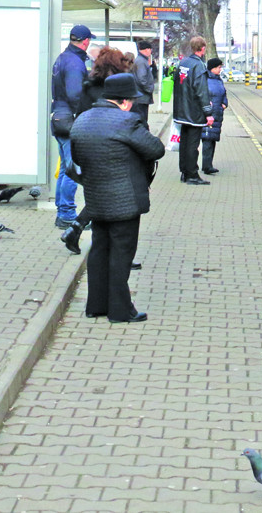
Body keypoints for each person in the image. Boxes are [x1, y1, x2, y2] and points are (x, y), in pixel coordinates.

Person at [70, 73, 165, 323]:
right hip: (124, 200)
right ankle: (121, 311)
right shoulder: (127, 121)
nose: (132, 105)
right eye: (131, 100)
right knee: (122, 253)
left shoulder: (82, 119)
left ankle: (96, 305)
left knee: (99, 249)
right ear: (124, 101)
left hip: (96, 197)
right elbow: (156, 149)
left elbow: (77, 157)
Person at [59, 48, 130, 255]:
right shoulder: (117, 89)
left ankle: (75, 229)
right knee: (116, 199)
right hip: (111, 148)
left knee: (100, 195)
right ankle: (118, 251)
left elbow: (80, 117)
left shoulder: (88, 87)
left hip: (89, 148)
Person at [50, 25, 92, 228]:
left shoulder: (62, 58)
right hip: (69, 118)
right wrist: (84, 117)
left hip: (58, 116)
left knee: (65, 169)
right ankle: (67, 213)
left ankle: (62, 211)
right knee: (73, 169)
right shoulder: (75, 62)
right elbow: (75, 94)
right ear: (86, 41)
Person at [173, 36, 215, 184]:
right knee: (193, 144)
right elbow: (201, 91)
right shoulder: (199, 66)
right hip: (194, 112)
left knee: (184, 142)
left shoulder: (182, 63)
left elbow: (176, 84)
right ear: (203, 49)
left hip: (181, 110)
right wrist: (208, 112)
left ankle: (184, 172)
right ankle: (192, 174)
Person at [201, 58, 228, 175]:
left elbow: (224, 93)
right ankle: (206, 166)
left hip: (217, 114)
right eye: (218, 67)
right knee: (207, 139)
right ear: (212, 68)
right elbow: (202, 95)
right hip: (209, 115)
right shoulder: (205, 80)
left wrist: (224, 103)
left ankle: (209, 164)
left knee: (212, 139)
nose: (220, 69)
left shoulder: (219, 80)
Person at [131, 40, 155, 128]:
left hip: (141, 96)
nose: (151, 51)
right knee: (142, 119)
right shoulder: (141, 61)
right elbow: (142, 79)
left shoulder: (141, 60)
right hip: (141, 97)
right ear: (146, 49)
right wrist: (149, 89)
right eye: (150, 49)